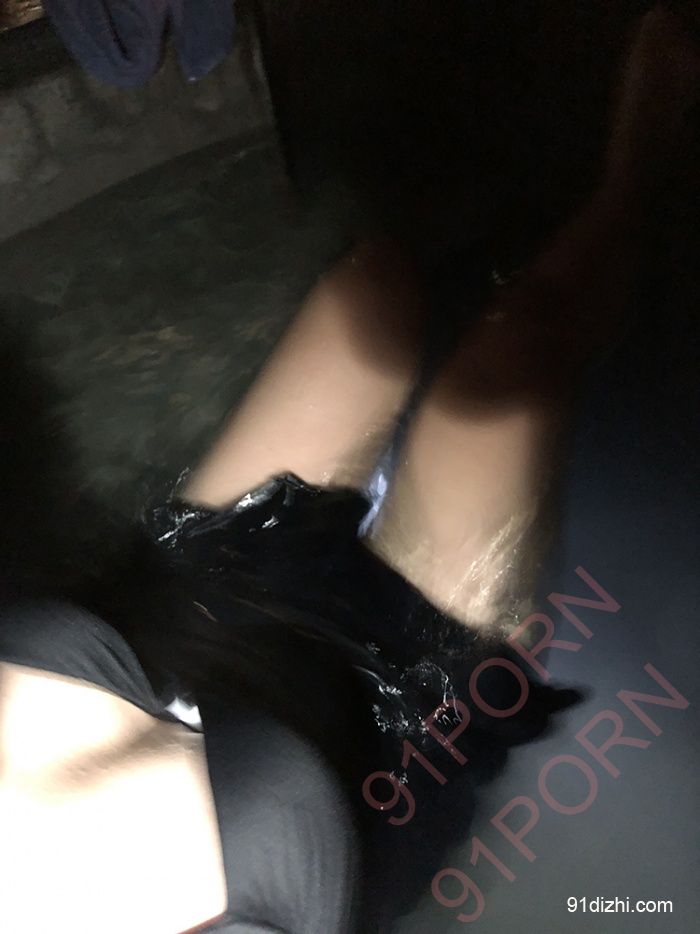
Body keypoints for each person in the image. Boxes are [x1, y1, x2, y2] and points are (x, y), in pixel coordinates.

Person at [0, 6, 696, 933]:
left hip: (192, 618)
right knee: (510, 366)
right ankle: (633, 187)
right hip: (386, 748)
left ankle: (502, 210)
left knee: (371, 296)